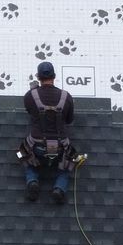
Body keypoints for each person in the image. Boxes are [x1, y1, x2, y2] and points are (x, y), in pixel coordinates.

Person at [21, 60, 78, 204]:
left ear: (39, 78)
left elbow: (29, 111)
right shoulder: (66, 97)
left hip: (36, 147)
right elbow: (69, 120)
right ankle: (59, 188)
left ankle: (32, 180)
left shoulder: (30, 96)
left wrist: (34, 91)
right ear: (54, 76)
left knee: (21, 153)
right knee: (70, 162)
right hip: (60, 148)